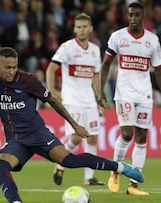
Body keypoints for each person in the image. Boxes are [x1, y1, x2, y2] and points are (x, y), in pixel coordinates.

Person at [0, 47, 144, 203]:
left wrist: (75, 125)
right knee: (0, 165)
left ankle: (120, 167)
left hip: (38, 134)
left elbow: (53, 101)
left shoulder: (28, 81)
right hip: (16, 140)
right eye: (6, 68)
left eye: (14, 67)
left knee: (69, 161)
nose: (11, 71)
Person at [99, 2, 161, 195]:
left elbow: (158, 70)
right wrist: (100, 91)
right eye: (130, 15)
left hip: (144, 95)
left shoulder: (152, 40)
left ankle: (134, 184)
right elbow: (106, 64)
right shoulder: (118, 37)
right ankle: (115, 170)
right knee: (127, 134)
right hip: (124, 93)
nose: (133, 18)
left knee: (142, 137)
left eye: (136, 15)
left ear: (143, 17)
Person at [46, 13, 104, 186]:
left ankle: (89, 177)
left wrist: (99, 97)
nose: (81, 30)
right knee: (78, 137)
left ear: (90, 28)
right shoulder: (67, 48)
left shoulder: (95, 50)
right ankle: (59, 163)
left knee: (93, 137)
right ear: (74, 29)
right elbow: (51, 69)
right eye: (78, 27)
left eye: (84, 26)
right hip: (72, 100)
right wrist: (52, 92)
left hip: (89, 101)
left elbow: (95, 76)